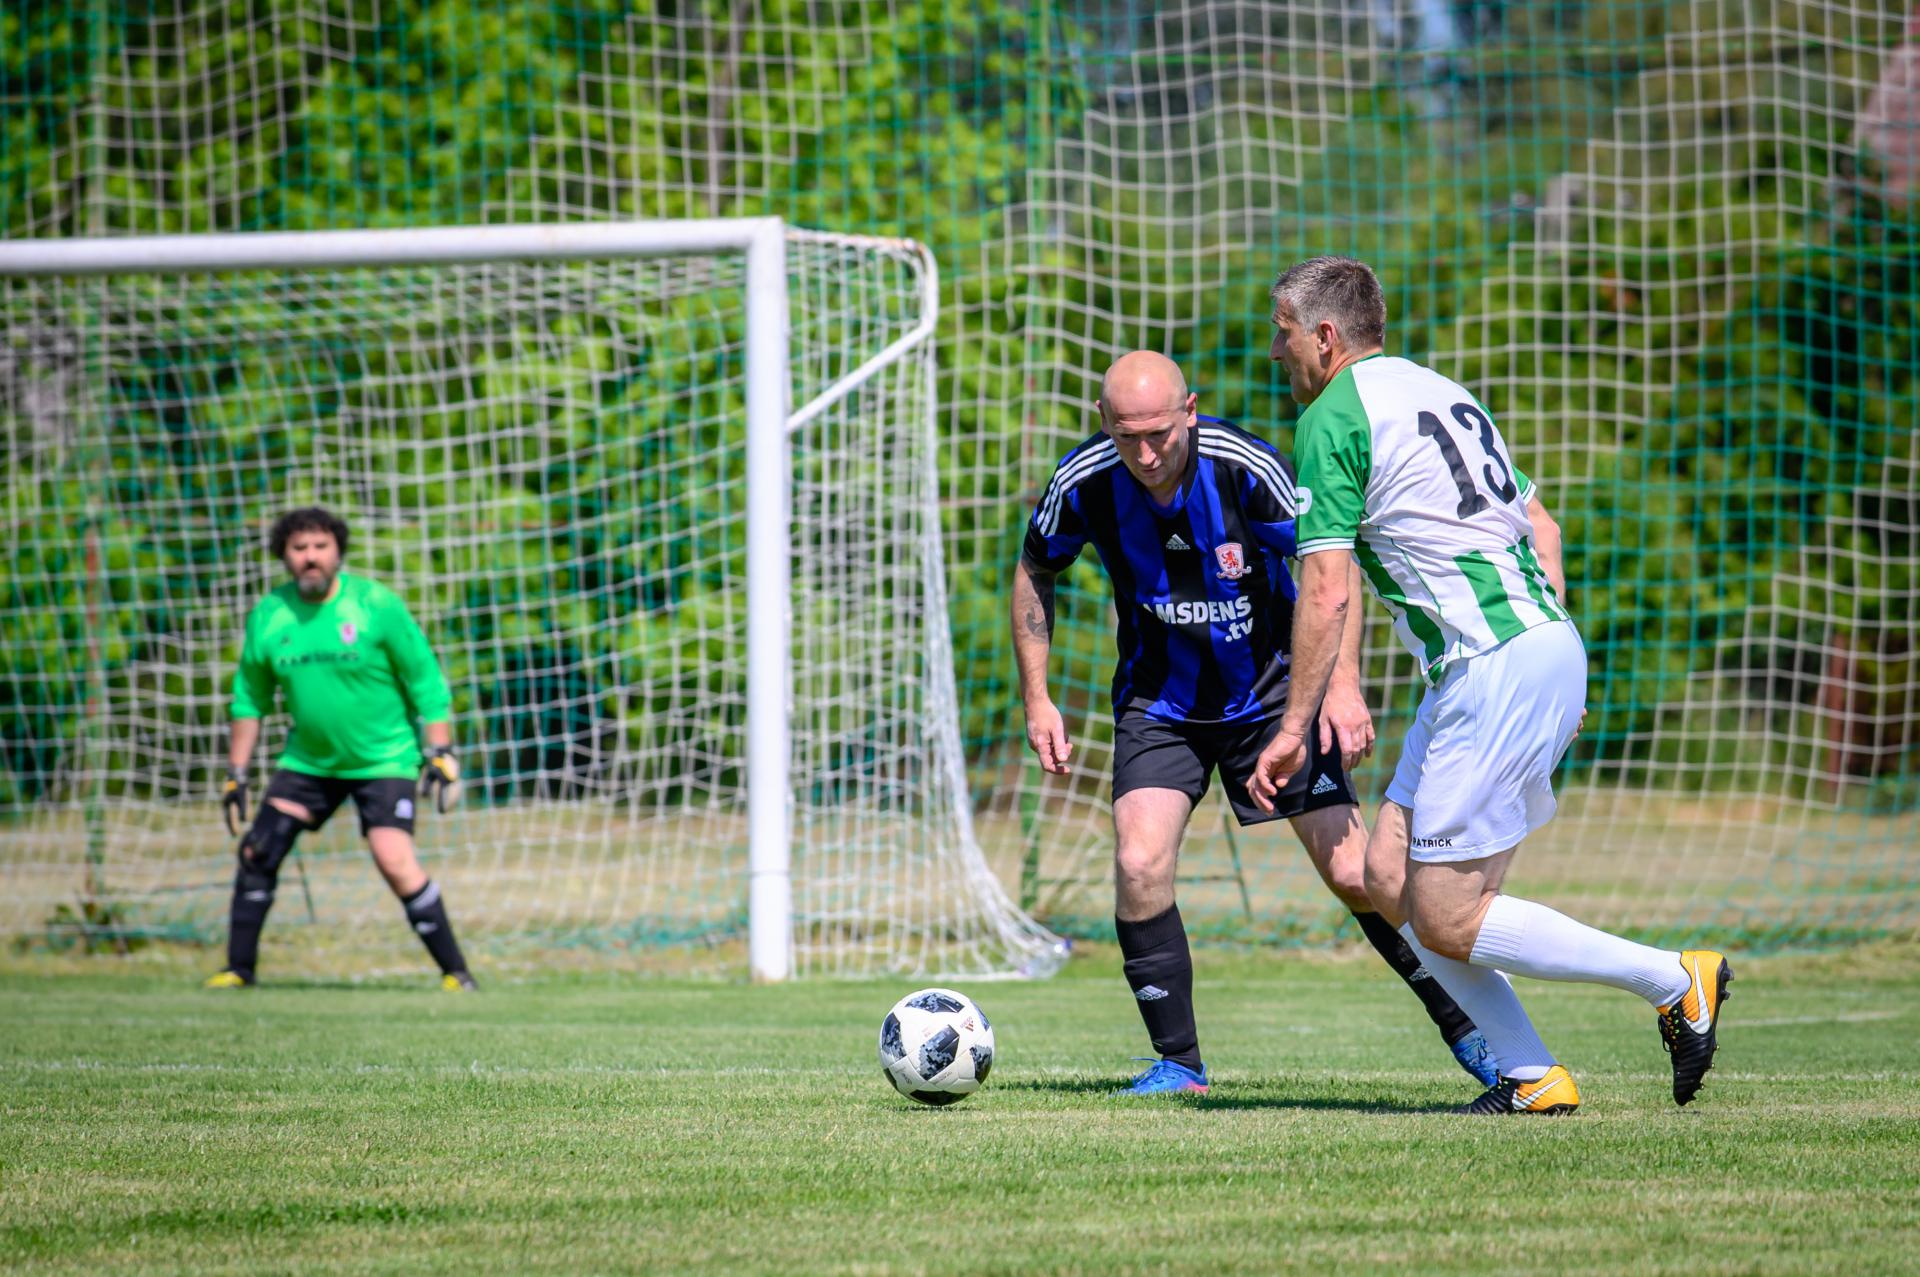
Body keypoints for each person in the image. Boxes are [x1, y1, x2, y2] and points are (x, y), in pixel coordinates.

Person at [1251, 256, 1731, 1113]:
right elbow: (1541, 525)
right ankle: (1530, 1075)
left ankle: (1672, 977)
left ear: (1324, 336)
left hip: (1491, 662)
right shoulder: (1441, 392)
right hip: (1523, 649)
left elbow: (1326, 588)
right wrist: (1554, 648)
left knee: (1447, 913)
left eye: (1283, 334)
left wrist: (1293, 728)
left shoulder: (1333, 414)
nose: (1275, 352)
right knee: (1385, 876)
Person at [1014, 350, 1496, 1096]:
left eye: (1159, 434)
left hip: (1275, 696)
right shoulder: (1084, 480)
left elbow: (1331, 566)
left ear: (1190, 411)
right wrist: (1038, 697)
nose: (1146, 454)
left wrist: (1340, 686)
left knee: (1354, 872)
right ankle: (1179, 1064)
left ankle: (1475, 1030)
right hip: (1159, 704)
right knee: (1139, 862)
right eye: (1127, 436)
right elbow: (1035, 567)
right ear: (1103, 421)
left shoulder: (1247, 468)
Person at [206, 506, 476, 991]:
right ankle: (238, 971)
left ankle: (457, 974)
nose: (310, 557)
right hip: (310, 761)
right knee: (258, 850)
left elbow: (424, 678)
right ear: (284, 555)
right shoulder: (270, 614)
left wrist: (440, 750)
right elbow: (249, 698)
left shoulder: (375, 604)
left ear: (338, 551)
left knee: (394, 861)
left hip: (384, 758)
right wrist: (236, 772)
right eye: (299, 548)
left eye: (320, 546)